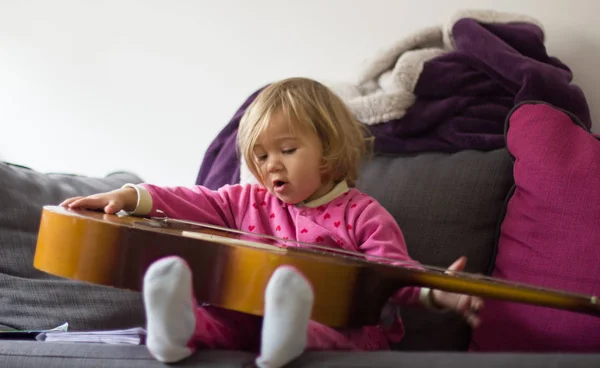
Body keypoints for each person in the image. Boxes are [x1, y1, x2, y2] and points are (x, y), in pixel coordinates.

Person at [60, 77, 483, 368]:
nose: (271, 165)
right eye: (261, 156)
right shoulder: (247, 201)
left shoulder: (363, 215)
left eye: (287, 149)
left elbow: (394, 273)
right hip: (256, 316)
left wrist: (439, 293)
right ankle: (175, 328)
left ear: (330, 150)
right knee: (226, 319)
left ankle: (290, 339)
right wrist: (131, 196)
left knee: (332, 329)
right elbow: (191, 199)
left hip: (343, 331)